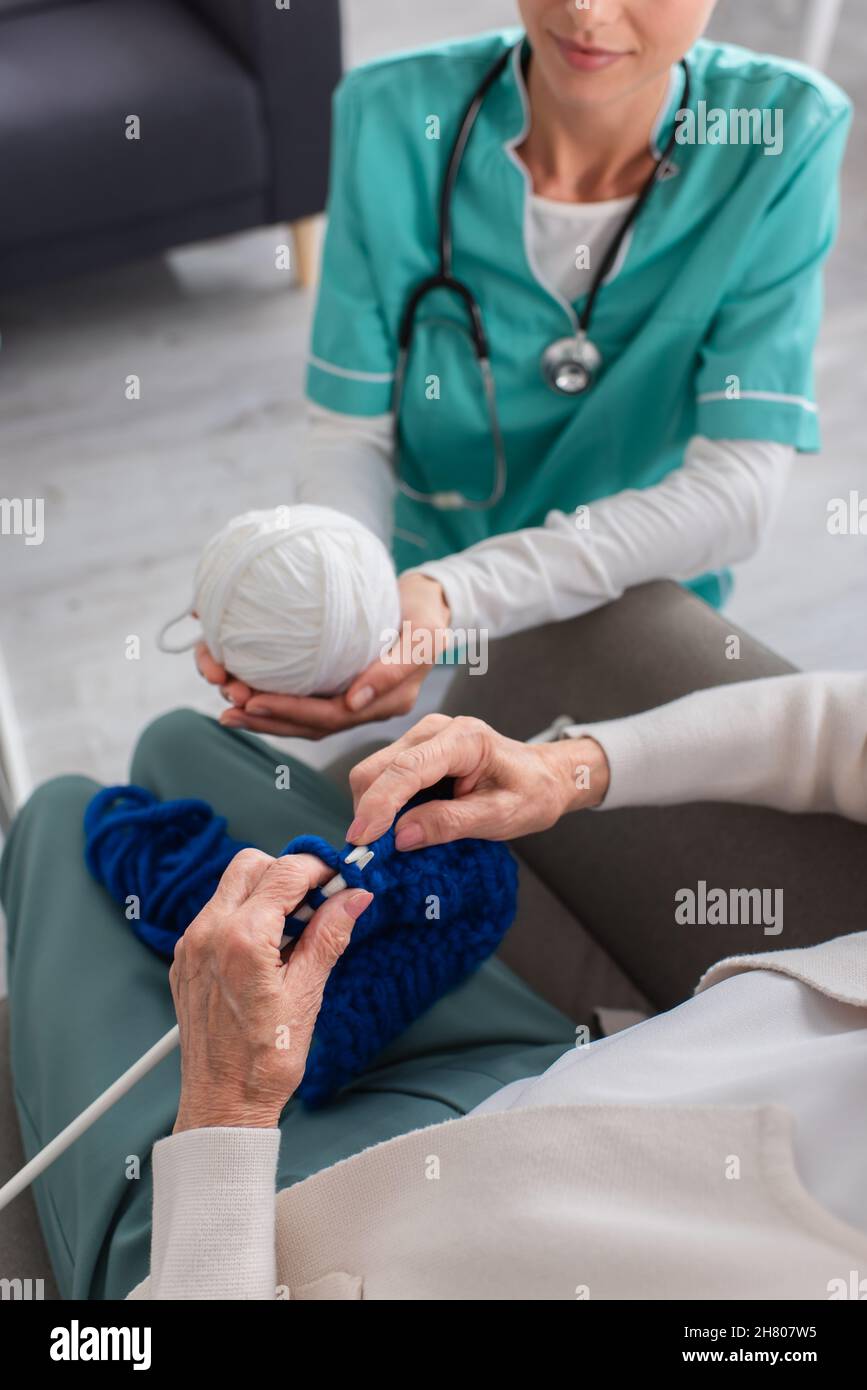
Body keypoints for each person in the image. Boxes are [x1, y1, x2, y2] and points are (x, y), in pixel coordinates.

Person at [3, 650, 865, 1299]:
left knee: (54, 816)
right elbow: (841, 729)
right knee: (176, 740)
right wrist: (565, 771)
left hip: (262, 1235)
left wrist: (225, 1106)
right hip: (538, 1064)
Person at [197, 0, 850, 740]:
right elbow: (350, 430)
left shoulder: (782, 131)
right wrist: (339, 591)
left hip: (627, 590)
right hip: (404, 594)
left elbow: (736, 495)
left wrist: (461, 594)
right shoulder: (390, 113)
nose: (584, 11)